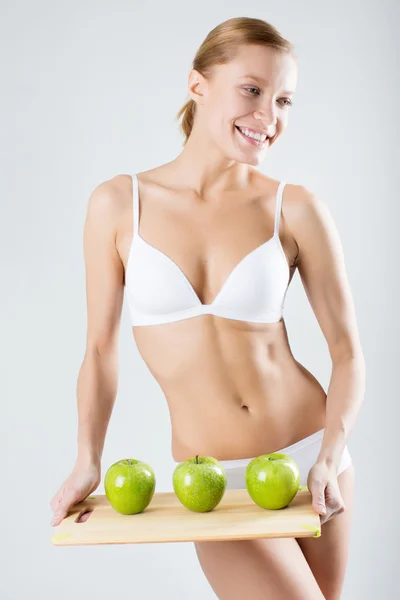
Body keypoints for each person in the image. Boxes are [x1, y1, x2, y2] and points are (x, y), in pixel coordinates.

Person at [50, 16, 365, 600]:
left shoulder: (295, 208)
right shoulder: (120, 204)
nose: (268, 117)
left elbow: (347, 352)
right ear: (198, 86)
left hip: (310, 455)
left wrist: (329, 454)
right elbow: (99, 349)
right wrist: (87, 459)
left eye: (284, 100)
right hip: (212, 479)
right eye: (252, 90)